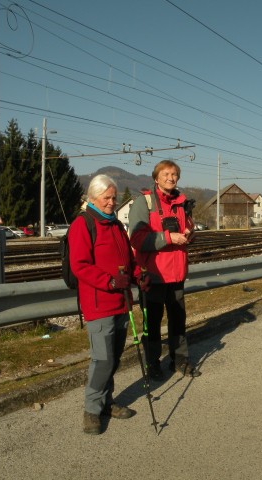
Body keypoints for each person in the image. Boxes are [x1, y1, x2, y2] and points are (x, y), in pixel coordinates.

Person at [69, 174, 150, 435]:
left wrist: (138, 274)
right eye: (107, 197)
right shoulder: (83, 225)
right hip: (99, 303)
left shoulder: (115, 225)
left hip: (120, 301)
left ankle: (106, 402)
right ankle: (92, 410)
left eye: (114, 197)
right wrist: (110, 281)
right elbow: (80, 266)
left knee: (112, 358)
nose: (112, 202)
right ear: (93, 198)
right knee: (102, 360)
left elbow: (128, 259)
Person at [129, 159, 200, 380]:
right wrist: (169, 237)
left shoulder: (181, 202)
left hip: (176, 273)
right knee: (152, 323)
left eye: (174, 174)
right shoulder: (145, 202)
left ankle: (180, 360)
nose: (171, 178)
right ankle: (152, 363)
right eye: (166, 174)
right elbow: (137, 239)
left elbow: (187, 227)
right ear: (156, 177)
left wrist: (190, 234)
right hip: (153, 275)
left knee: (178, 320)